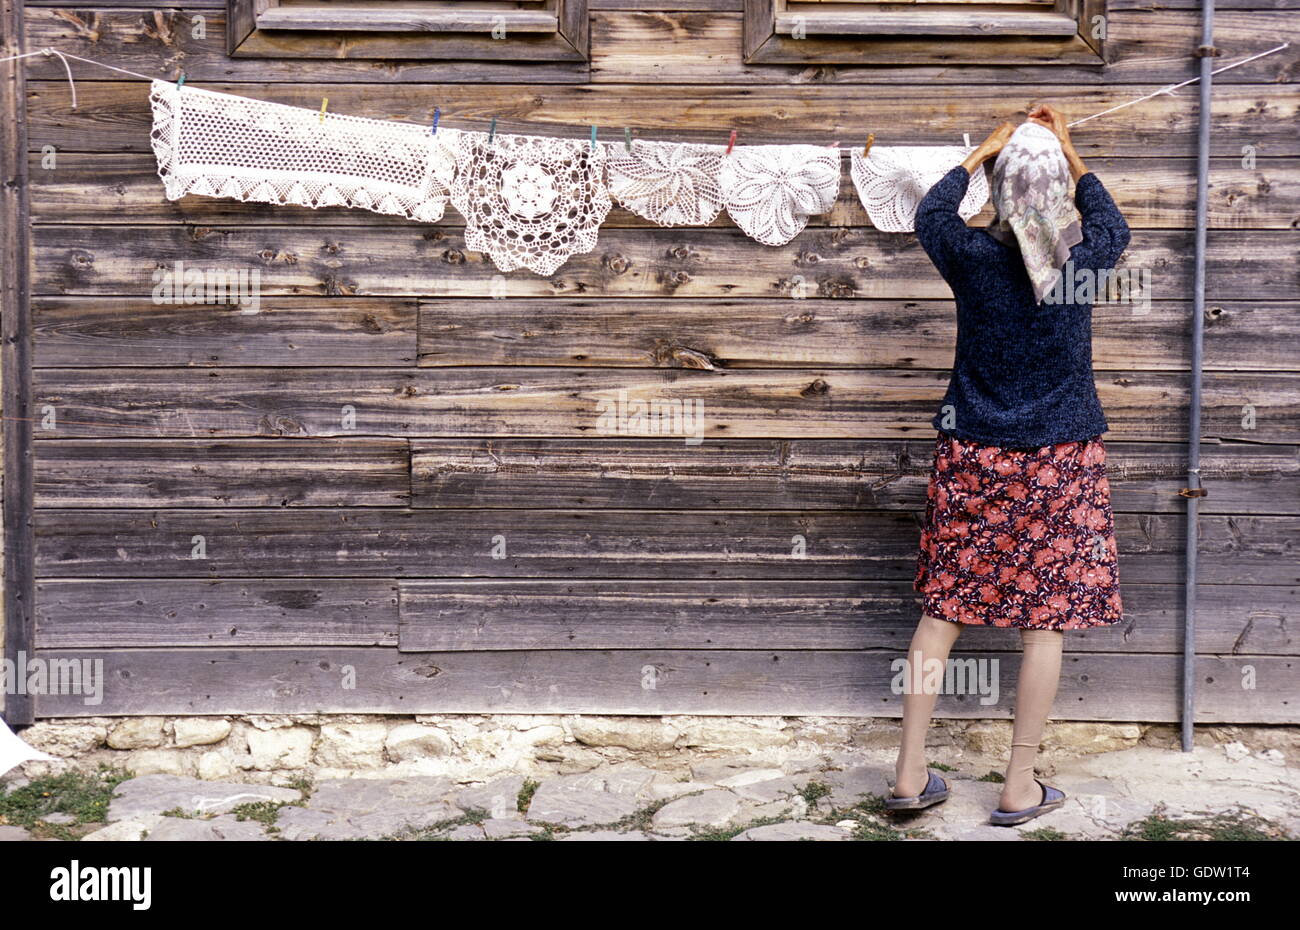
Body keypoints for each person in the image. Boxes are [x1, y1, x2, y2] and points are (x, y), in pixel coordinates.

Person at [886, 104, 1131, 826]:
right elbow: (1112, 222)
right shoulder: (1082, 265)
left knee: (941, 616)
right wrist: (1070, 149)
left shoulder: (969, 257)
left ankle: (908, 777)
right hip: (1061, 460)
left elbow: (930, 214)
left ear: (998, 186)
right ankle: (1018, 787)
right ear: (1054, 193)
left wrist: (984, 153)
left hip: (973, 456)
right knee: (1043, 623)